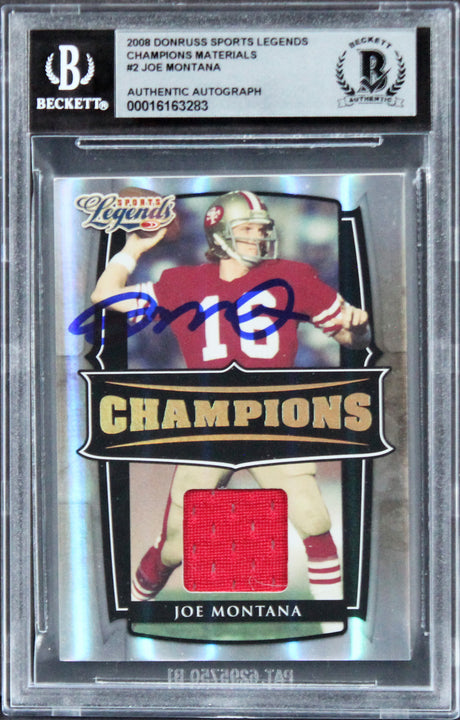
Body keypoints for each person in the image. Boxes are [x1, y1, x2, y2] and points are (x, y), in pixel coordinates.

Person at [91, 190, 370, 603]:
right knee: (175, 548)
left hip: (275, 418)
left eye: (263, 229)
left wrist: (359, 328)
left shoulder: (293, 275)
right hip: (208, 422)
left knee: (314, 520)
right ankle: (133, 607)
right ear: (220, 233)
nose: (260, 237)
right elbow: (104, 296)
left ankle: (333, 621)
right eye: (249, 229)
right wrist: (132, 248)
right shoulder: (182, 282)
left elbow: (349, 337)